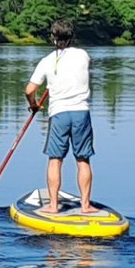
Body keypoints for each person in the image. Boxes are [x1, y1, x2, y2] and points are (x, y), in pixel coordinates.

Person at [25, 18, 95, 215]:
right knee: (83, 160)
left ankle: (53, 206)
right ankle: (86, 205)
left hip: (59, 114)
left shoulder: (46, 61)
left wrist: (34, 105)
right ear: (72, 37)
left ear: (53, 38)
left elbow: (29, 89)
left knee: (55, 159)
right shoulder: (83, 55)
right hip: (81, 113)